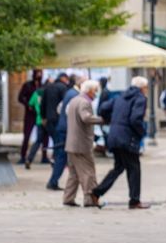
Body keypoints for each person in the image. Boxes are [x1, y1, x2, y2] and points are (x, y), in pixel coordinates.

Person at [91, 77, 150, 209]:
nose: (146, 90)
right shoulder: (140, 98)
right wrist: (142, 132)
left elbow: (103, 109)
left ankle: (97, 192)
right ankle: (134, 200)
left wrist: (112, 120)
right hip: (128, 139)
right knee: (134, 168)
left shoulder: (120, 97)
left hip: (114, 136)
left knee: (119, 167)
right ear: (142, 88)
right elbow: (135, 119)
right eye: (146, 88)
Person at [62, 80, 104, 208]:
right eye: (95, 90)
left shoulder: (74, 100)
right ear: (90, 91)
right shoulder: (84, 102)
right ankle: (90, 199)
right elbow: (85, 117)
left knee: (74, 174)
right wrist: (102, 120)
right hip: (81, 144)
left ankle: (68, 198)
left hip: (71, 143)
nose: (96, 93)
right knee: (88, 172)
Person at [47, 74, 84, 191]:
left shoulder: (70, 92)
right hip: (66, 129)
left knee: (62, 156)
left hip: (62, 127)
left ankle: (54, 181)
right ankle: (53, 182)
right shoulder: (75, 95)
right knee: (62, 157)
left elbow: (60, 109)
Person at [27, 72, 69, 168]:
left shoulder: (43, 90)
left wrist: (42, 117)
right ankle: (54, 160)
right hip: (55, 119)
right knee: (57, 140)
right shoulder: (62, 88)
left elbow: (39, 105)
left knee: (38, 141)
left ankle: (29, 158)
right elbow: (64, 104)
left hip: (42, 120)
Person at [18, 69, 43, 164]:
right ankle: (23, 156)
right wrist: (27, 104)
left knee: (42, 136)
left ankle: (44, 156)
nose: (39, 75)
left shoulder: (42, 86)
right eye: (38, 73)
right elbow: (20, 97)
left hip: (40, 113)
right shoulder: (27, 85)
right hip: (30, 114)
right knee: (27, 135)